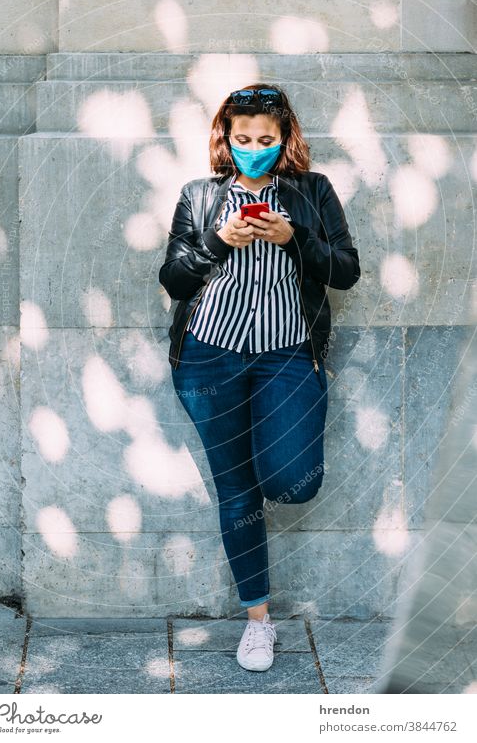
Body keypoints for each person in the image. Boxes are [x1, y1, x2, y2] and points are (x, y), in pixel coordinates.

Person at [159, 84, 361, 672]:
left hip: (286, 354)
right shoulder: (199, 197)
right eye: (242, 138)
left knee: (294, 481)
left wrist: (293, 238)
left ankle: (272, 471)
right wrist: (220, 241)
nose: (253, 149)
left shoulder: (312, 192)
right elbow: (173, 280)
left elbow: (346, 272)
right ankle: (258, 624)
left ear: (284, 139)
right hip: (209, 355)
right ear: (226, 137)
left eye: (265, 140)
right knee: (236, 490)